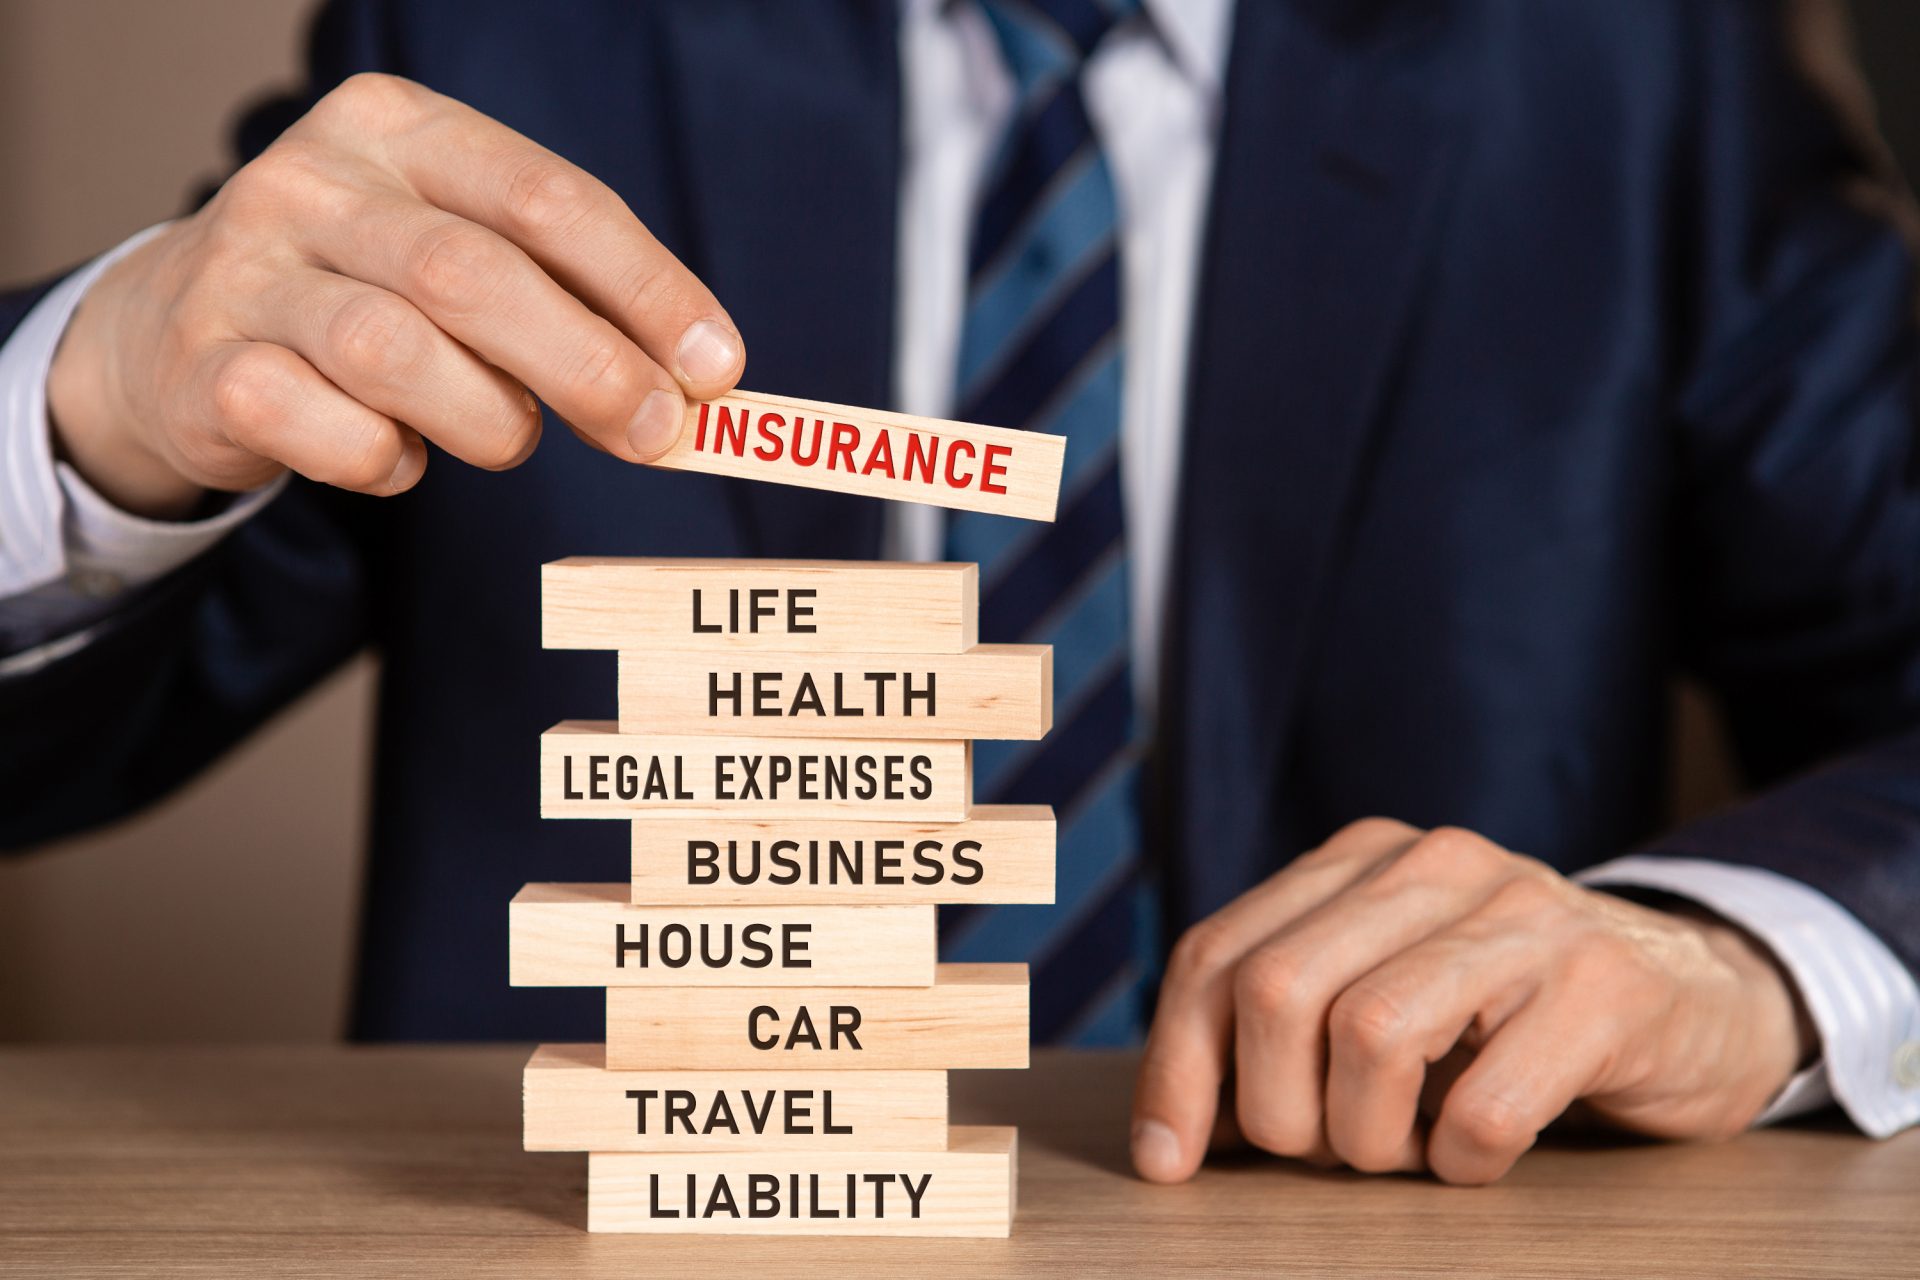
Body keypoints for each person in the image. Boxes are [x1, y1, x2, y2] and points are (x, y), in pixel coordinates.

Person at [2, 0, 1917, 1188]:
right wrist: (83, 413)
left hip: (1357, 1227)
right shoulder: (511, 37)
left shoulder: (1641, 58)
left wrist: (1732, 957)